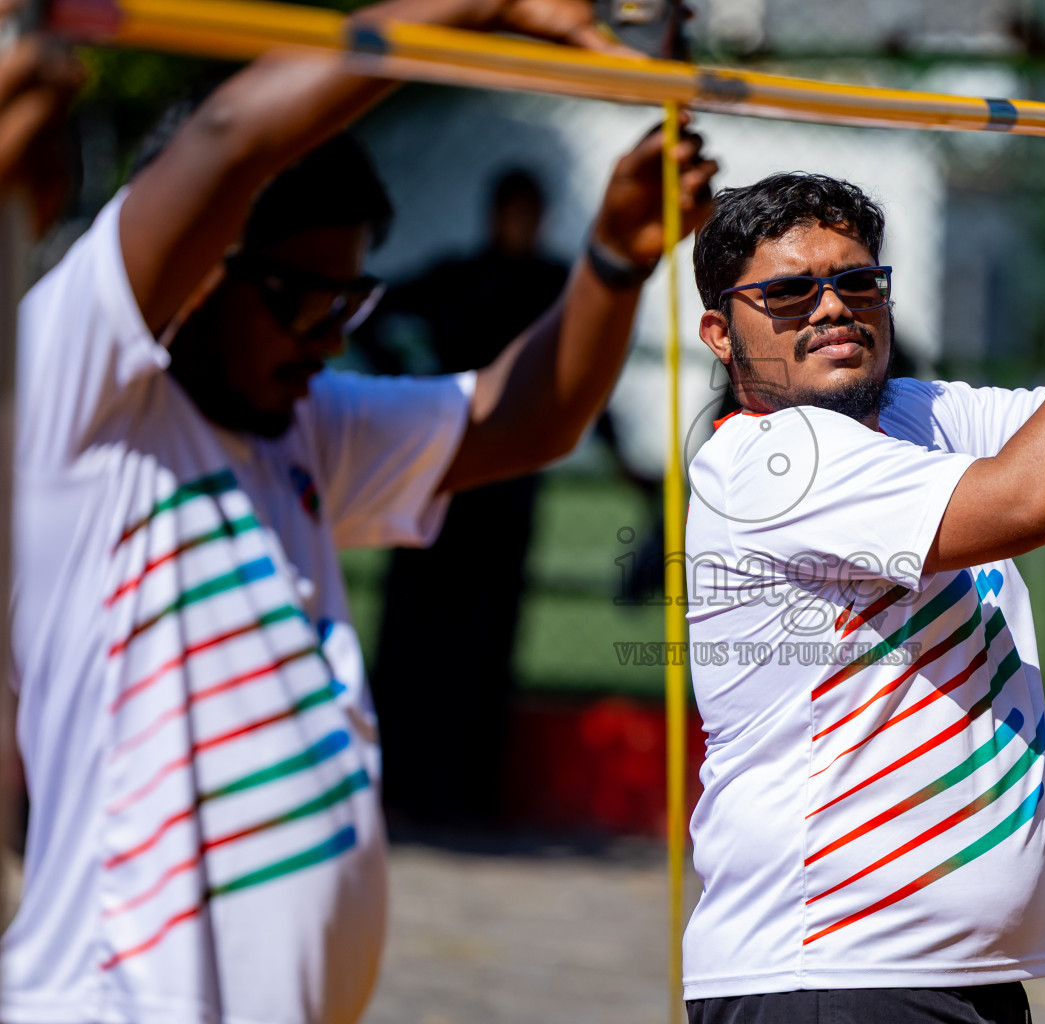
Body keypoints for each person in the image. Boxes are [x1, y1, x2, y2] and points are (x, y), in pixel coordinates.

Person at [4, 2, 716, 1023]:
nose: (326, 339)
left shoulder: (303, 427)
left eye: (349, 303)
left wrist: (614, 257)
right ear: (205, 271)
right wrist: (484, 9)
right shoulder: (78, 396)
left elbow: (524, 419)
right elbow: (228, 139)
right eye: (302, 299)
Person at [682, 145, 1045, 1023]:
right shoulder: (773, 456)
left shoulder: (917, 414)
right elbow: (1030, 500)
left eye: (859, 283)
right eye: (791, 293)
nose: (833, 307)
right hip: (827, 975)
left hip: (943, 977)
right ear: (721, 333)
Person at [360, 169, 568, 827]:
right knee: (415, 632)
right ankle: (399, 781)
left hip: (507, 491)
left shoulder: (552, 285)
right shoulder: (454, 277)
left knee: (484, 640)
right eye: (513, 209)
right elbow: (374, 310)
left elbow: (587, 371)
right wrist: (412, 384)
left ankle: (468, 791)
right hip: (442, 473)